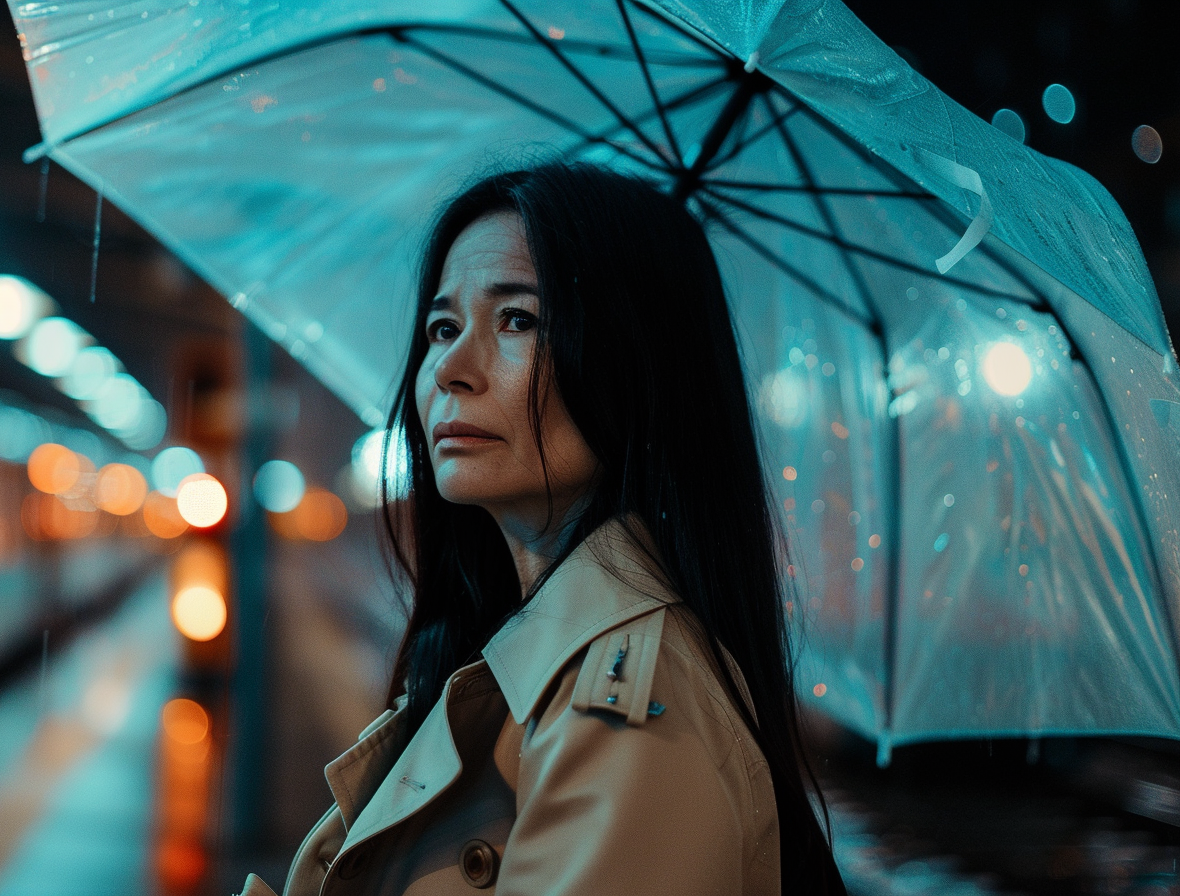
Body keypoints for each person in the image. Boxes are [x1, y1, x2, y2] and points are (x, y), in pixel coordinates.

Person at [240, 160, 845, 895]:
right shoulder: (513, 657)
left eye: (518, 319)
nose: (450, 367)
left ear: (633, 361)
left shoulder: (632, 712)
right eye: (442, 327)